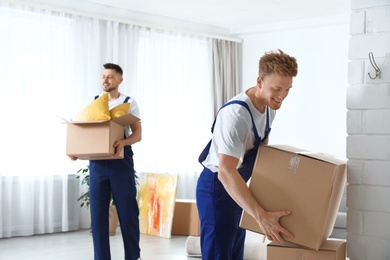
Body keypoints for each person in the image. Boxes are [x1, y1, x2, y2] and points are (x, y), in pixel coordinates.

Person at [196, 49, 298, 260]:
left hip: (238, 185)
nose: (282, 96)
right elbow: (225, 171)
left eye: (287, 90)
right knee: (218, 255)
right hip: (217, 188)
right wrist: (260, 216)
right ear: (260, 81)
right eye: (277, 88)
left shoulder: (271, 107)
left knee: (235, 253)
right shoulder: (236, 116)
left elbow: (262, 150)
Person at [69, 63, 142, 260]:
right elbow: (83, 129)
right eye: (103, 76)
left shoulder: (129, 102)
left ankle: (133, 257)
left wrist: (123, 143)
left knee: (127, 213)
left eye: (110, 77)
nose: (105, 80)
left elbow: (138, 134)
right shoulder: (94, 102)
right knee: (99, 216)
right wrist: (75, 150)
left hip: (121, 161)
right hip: (97, 164)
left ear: (119, 80)